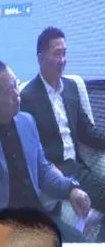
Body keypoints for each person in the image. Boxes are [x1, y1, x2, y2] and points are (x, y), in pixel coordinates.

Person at [0, 61, 91, 241]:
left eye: (16, 85)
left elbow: (43, 171)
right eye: (10, 91)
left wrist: (71, 189)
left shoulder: (27, 122)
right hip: (5, 227)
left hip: (38, 219)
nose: (17, 95)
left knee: (81, 245)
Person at [18, 26, 105, 211]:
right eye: (57, 54)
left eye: (64, 53)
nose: (62, 60)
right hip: (56, 171)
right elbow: (32, 152)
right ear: (40, 58)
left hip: (78, 166)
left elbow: (88, 132)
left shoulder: (71, 87)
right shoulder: (27, 98)